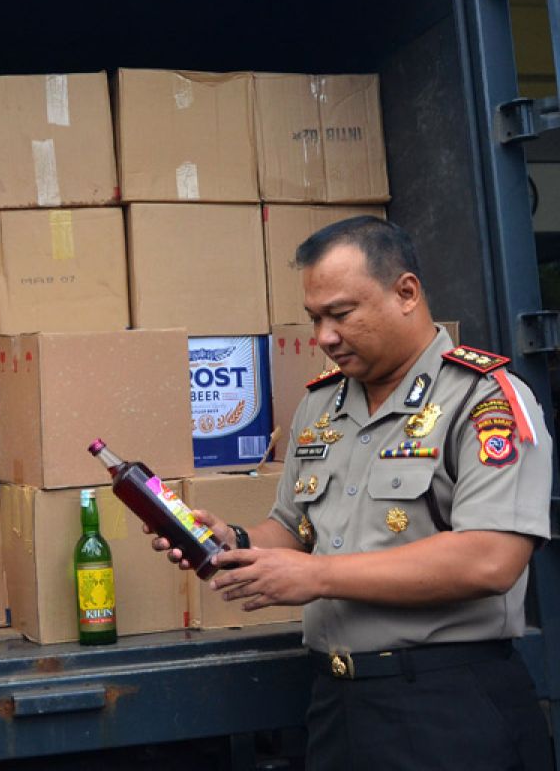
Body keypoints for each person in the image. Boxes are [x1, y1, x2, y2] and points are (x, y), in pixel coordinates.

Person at [153, 216, 553, 769]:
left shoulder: (485, 400)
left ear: (406, 293)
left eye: (341, 314)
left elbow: (491, 560)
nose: (324, 337)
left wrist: (316, 576)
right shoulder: (322, 405)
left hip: (446, 703)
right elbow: (295, 528)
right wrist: (234, 540)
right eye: (315, 318)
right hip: (337, 705)